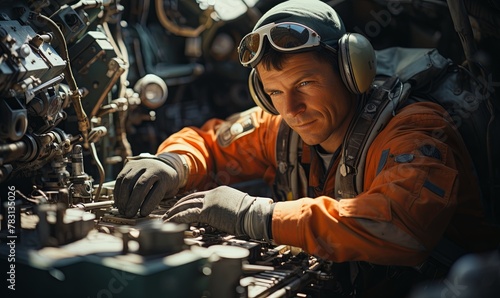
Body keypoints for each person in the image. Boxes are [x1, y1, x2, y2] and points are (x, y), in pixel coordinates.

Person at [113, 0, 499, 295]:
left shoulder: (414, 128)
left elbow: (400, 224)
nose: (291, 109)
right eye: (275, 92)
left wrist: (257, 215)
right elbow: (209, 143)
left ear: (353, 71)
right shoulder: (281, 127)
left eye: (305, 84)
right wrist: (172, 162)